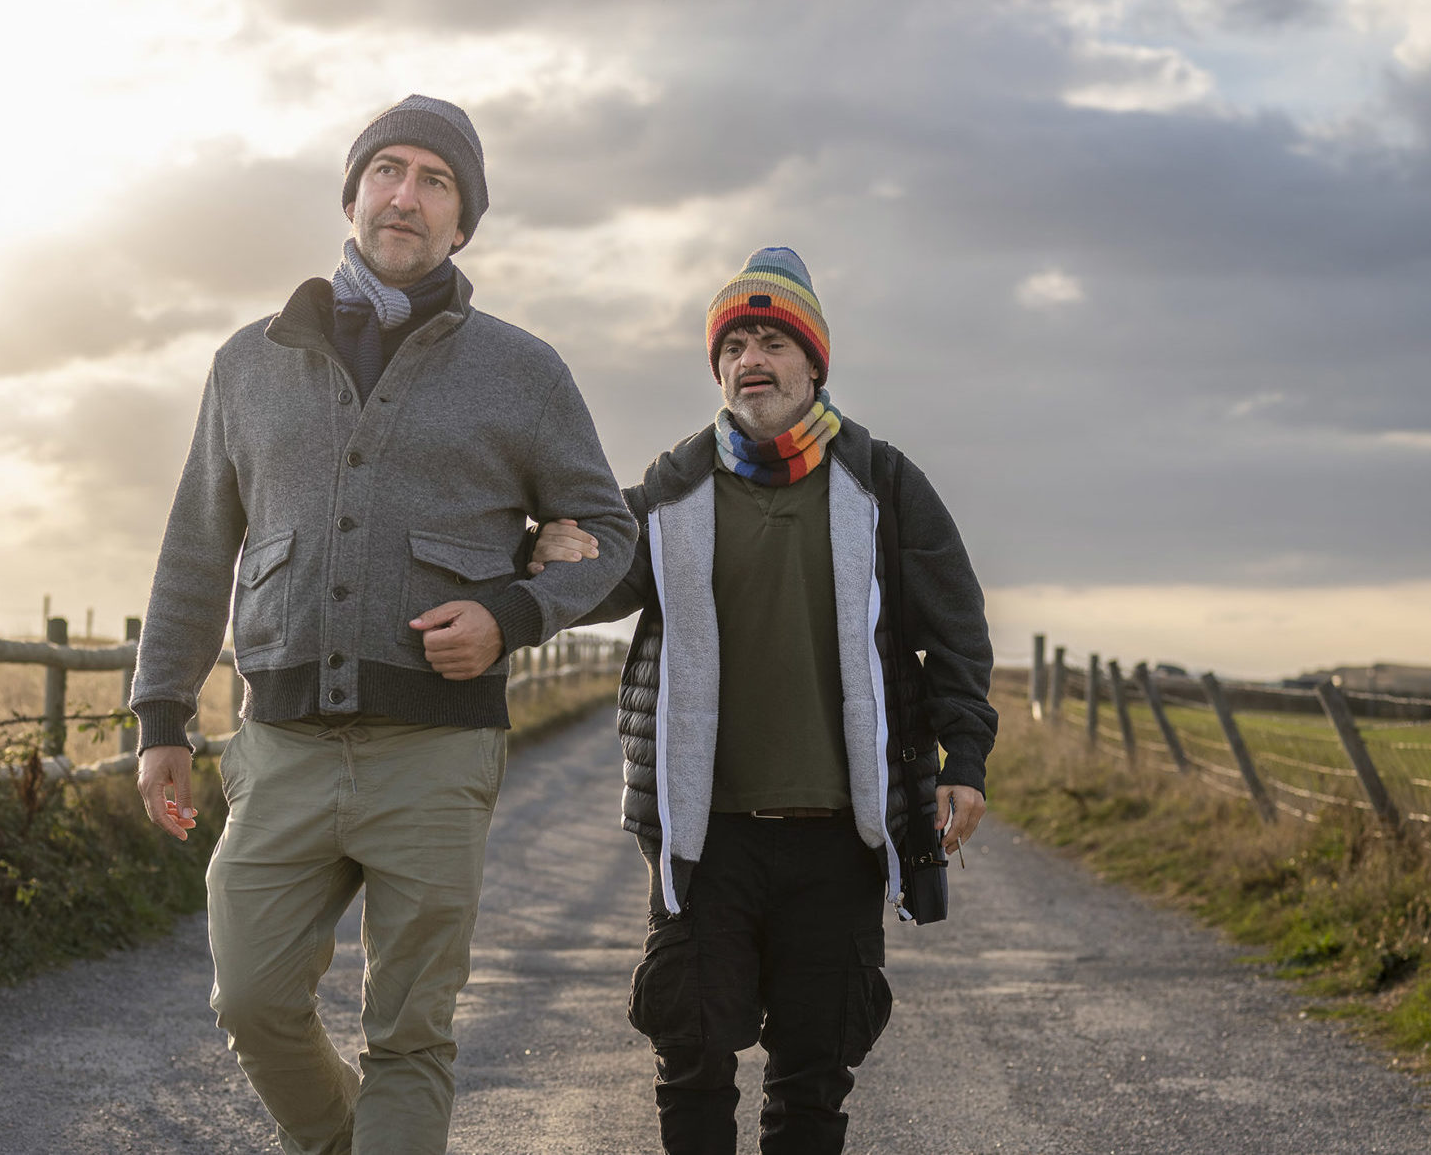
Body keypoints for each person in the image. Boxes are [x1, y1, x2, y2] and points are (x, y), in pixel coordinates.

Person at [128, 94, 637, 1155]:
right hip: (280, 746)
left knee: (411, 1030)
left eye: (435, 180)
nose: (406, 194)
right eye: (388, 170)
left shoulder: (524, 370)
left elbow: (607, 529)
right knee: (252, 999)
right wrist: (162, 714)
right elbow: (194, 545)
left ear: (464, 221)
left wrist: (510, 613)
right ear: (353, 193)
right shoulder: (246, 361)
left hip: (438, 750)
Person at [531, 247, 997, 1153]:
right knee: (692, 1060)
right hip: (706, 838)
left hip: (842, 837)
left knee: (813, 1082)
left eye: (773, 341)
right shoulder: (670, 491)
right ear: (717, 367)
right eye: (734, 343)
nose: (752, 360)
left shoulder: (885, 485)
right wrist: (547, 544)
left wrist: (963, 762)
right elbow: (586, 583)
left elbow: (958, 632)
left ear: (813, 362)